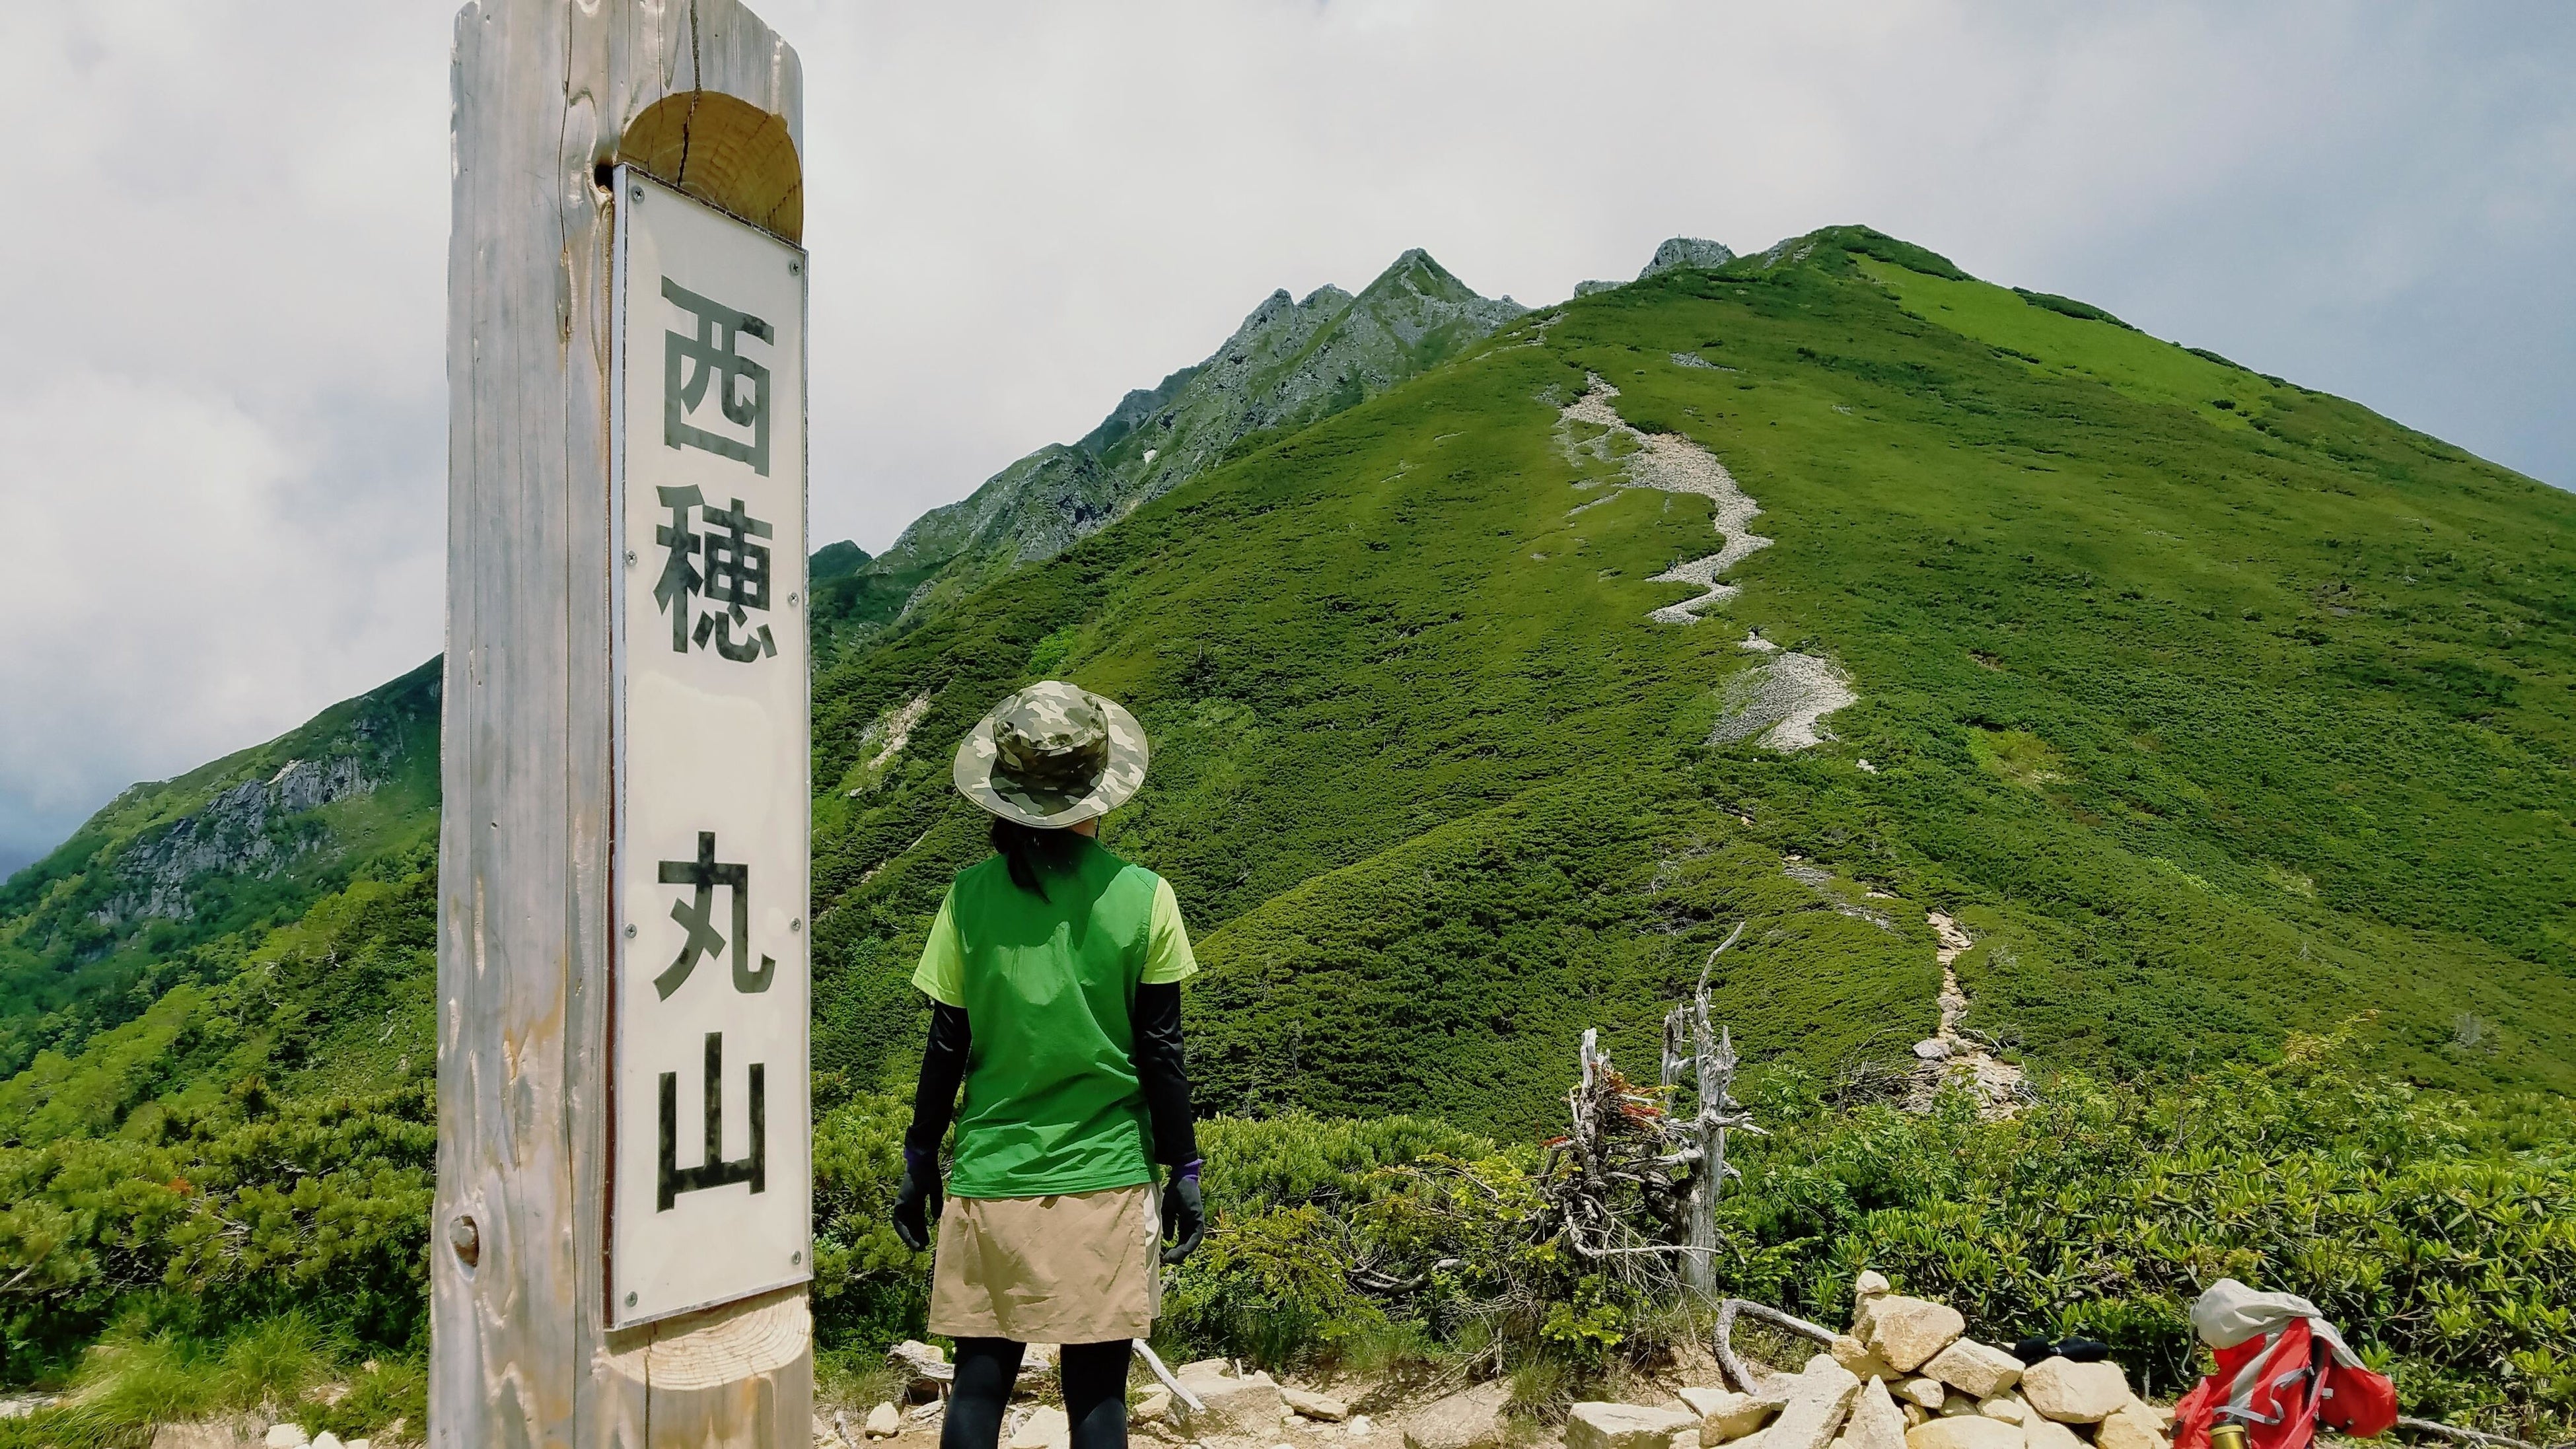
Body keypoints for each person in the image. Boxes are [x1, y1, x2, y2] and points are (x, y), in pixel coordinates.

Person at [892, 680, 1206, 1449]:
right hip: (1104, 1174)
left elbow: (946, 1044)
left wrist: (920, 1152)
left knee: (978, 1384)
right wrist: (1184, 1165)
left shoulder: (968, 899)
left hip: (992, 1176)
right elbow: (1161, 1052)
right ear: (1099, 788)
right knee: (1098, 1396)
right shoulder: (1146, 898)